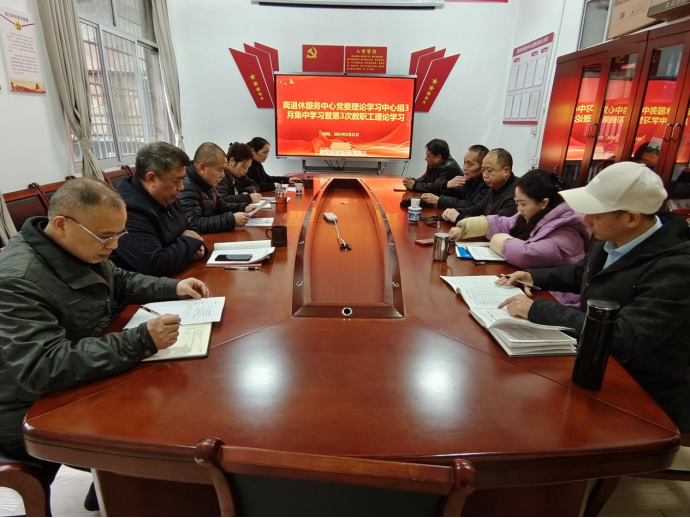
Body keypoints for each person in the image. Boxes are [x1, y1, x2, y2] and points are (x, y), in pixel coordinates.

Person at [0, 179, 209, 491]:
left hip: (85, 370)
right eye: (106, 237)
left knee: (181, 393)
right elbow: (42, 366)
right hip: (33, 406)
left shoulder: (75, 245)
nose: (114, 246)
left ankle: (115, 490)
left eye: (119, 234)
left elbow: (118, 279)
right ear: (61, 225)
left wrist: (172, 287)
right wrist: (140, 340)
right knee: (164, 430)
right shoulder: (18, 280)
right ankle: (124, 494)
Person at [497, 162, 690, 432]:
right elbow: (583, 274)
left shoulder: (676, 266)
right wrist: (533, 276)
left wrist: (537, 310)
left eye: (596, 214)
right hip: (588, 362)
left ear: (631, 218)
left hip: (640, 394)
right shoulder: (610, 237)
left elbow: (625, 336)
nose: (585, 220)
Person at [449, 169, 590, 307]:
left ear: (544, 203)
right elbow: (505, 223)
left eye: (523, 204)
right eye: (517, 202)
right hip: (534, 284)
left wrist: (497, 241)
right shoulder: (533, 212)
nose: (518, 209)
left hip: (558, 298)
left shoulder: (566, 230)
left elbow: (528, 254)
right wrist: (465, 228)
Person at [112, 142, 207, 277]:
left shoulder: (165, 195)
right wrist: (190, 243)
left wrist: (195, 245)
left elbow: (191, 227)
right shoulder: (126, 209)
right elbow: (156, 265)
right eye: (177, 181)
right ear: (151, 178)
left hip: (180, 273)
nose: (182, 187)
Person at [180, 143, 252, 233]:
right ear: (202, 167)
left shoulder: (207, 182)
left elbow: (221, 206)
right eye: (220, 170)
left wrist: (244, 207)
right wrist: (231, 220)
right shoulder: (186, 186)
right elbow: (194, 223)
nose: (223, 175)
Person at [441, 148, 517, 222]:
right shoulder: (495, 185)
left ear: (506, 171)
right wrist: (456, 211)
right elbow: (479, 209)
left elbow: (496, 224)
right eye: (483, 170)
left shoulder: (515, 194)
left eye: (489, 170)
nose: (485, 175)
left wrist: (458, 217)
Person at [420, 144, 490, 209]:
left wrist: (440, 200)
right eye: (464, 163)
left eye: (470, 164)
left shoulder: (488, 184)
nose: (464, 168)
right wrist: (447, 186)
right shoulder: (467, 179)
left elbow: (474, 206)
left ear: (482, 166)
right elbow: (456, 197)